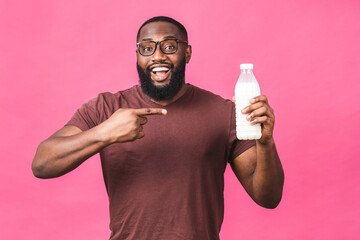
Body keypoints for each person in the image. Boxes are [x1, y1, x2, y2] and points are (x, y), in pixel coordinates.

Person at [32, 16, 284, 240]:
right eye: (147, 48)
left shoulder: (223, 112)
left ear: (187, 53)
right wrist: (105, 133)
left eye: (170, 46)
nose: (158, 56)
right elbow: (42, 164)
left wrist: (266, 142)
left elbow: (268, 198)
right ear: (138, 55)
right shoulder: (105, 108)